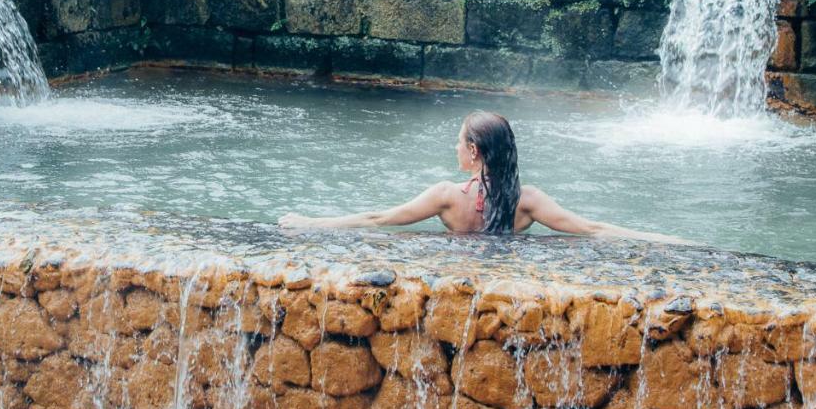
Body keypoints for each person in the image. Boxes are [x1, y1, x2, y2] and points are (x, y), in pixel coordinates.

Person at [278, 110, 676, 241]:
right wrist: (664, 239)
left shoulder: (447, 196)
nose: (454, 148)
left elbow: (377, 219)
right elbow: (593, 228)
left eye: (458, 142)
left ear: (473, 152)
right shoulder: (527, 200)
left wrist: (309, 223)